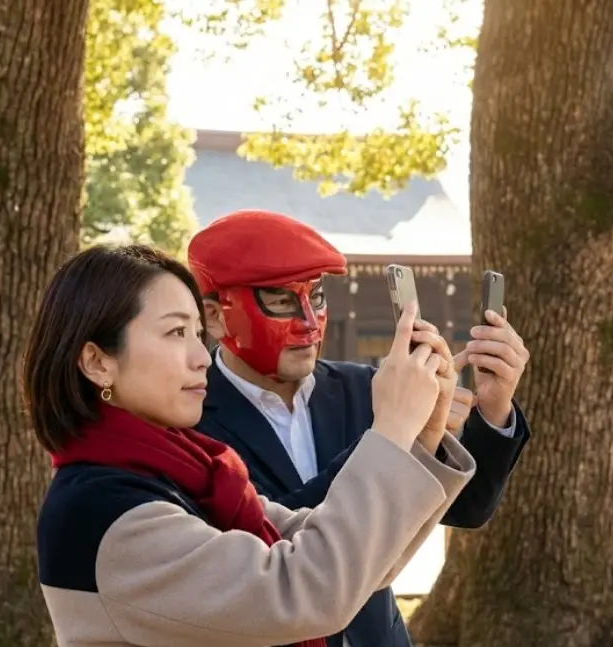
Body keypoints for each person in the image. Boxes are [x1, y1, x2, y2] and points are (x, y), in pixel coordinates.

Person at [26, 244, 477, 647]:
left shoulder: (191, 475)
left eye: (196, 333)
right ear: (97, 362)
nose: (202, 356)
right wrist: (390, 431)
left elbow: (349, 556)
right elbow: (306, 588)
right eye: (175, 333)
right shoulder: (106, 512)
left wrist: (420, 435)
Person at [185, 209, 530, 647]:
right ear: (215, 317)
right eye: (281, 301)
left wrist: (493, 409)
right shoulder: (188, 416)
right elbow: (274, 540)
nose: (309, 323)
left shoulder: (364, 387)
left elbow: (467, 510)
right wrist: (392, 434)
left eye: (318, 296)